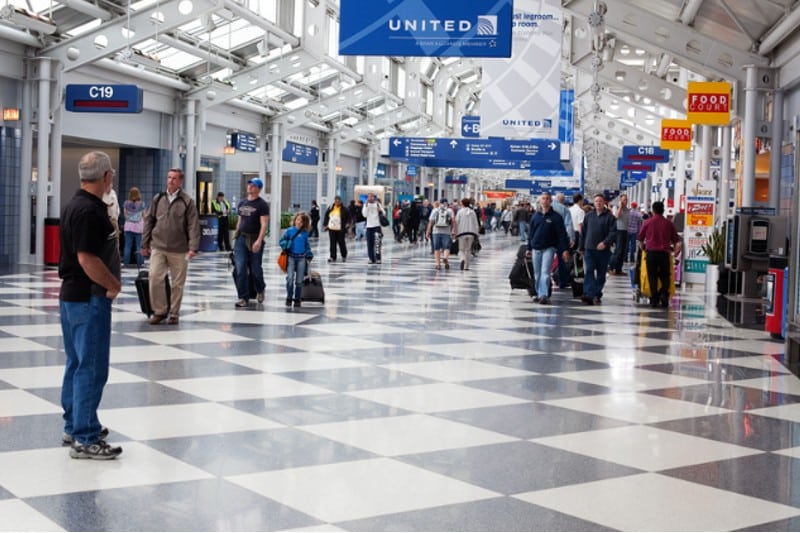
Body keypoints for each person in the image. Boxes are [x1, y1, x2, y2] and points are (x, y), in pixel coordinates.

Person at [58, 151, 123, 460]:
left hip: (70, 296)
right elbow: (87, 259)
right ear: (106, 176)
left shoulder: (73, 205)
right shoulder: (90, 211)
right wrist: (113, 284)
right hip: (89, 296)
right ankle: (85, 437)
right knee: (92, 367)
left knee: (76, 363)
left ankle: (75, 425)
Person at [141, 167, 201, 324]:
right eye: (168, 177)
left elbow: (193, 226)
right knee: (155, 277)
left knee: (177, 283)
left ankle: (174, 312)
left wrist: (193, 247)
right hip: (158, 246)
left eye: (174, 178)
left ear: (180, 181)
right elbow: (149, 220)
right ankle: (159, 310)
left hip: (179, 249)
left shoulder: (187, 201)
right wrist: (144, 243)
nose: (170, 181)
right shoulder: (158, 198)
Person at [528, 192, 571, 304]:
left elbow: (562, 234)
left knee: (545, 272)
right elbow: (530, 233)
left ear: (551, 201)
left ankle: (543, 295)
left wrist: (565, 249)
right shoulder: (535, 216)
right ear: (540, 201)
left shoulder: (556, 217)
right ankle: (538, 293)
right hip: (536, 248)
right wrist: (529, 247)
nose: (545, 201)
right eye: (543, 199)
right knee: (537, 274)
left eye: (547, 199)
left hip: (549, 248)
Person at [233, 178, 269, 308]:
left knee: (255, 269)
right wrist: (236, 237)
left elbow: (264, 224)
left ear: (259, 189)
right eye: (249, 185)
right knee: (240, 268)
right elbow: (240, 220)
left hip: (255, 238)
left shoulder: (262, 205)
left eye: (253, 186)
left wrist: (259, 241)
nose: (250, 187)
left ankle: (260, 288)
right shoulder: (242, 203)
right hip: (241, 239)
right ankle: (243, 297)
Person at [638, 201, 681, 309]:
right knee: (665, 276)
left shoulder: (647, 222)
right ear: (663, 210)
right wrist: (675, 253)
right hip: (664, 254)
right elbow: (677, 241)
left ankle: (654, 299)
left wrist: (643, 248)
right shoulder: (668, 223)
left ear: (653, 210)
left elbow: (640, 240)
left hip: (651, 254)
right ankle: (663, 294)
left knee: (652, 276)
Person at [579, 193, 617, 305]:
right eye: (596, 201)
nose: (598, 203)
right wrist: (581, 247)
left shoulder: (610, 217)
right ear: (593, 203)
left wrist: (605, 243)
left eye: (600, 201)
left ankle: (597, 293)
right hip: (589, 249)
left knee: (601, 273)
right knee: (589, 270)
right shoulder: (588, 216)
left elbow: (613, 233)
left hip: (603, 251)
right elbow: (583, 233)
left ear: (604, 202)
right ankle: (589, 294)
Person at [280, 212, 313, 307]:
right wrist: (286, 244)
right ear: (295, 220)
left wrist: (309, 253)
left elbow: (307, 245)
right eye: (298, 220)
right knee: (290, 278)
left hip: (301, 258)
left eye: (301, 221)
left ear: (304, 223)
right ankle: (289, 297)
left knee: (299, 280)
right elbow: (281, 241)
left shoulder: (305, 233)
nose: (299, 222)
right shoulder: (289, 231)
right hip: (290, 257)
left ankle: (297, 298)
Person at [552, 192, 575, 289]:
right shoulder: (565, 209)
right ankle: (562, 282)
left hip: (548, 238)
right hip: (561, 238)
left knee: (547, 259)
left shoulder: (548, 207)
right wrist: (571, 238)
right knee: (562, 260)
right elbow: (569, 225)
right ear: (562, 200)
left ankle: (545, 282)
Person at [426, 199, 455, 270]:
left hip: (436, 232)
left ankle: (438, 264)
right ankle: (445, 258)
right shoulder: (450, 211)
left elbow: (430, 222)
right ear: (447, 203)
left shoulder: (435, 210)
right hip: (447, 232)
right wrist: (454, 231)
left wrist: (427, 232)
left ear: (440, 203)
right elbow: (453, 221)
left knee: (436, 248)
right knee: (446, 247)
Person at [122, 187, 146, 267]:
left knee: (127, 246)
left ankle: (126, 263)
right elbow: (144, 215)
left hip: (128, 226)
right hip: (138, 227)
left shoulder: (126, 203)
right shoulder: (142, 204)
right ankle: (140, 263)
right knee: (139, 246)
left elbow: (125, 215)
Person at [455, 198, 480, 271]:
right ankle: (467, 266)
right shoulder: (472, 212)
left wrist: (455, 232)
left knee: (461, 249)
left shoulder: (460, 212)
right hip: (471, 233)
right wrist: (477, 234)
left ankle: (462, 259)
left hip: (461, 233)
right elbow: (476, 224)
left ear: (462, 203)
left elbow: (456, 222)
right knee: (468, 250)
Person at [609, 194, 630, 275]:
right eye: (623, 200)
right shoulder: (616, 208)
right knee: (618, 250)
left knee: (623, 251)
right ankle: (611, 267)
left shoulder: (628, 210)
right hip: (618, 231)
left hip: (625, 231)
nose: (625, 201)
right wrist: (620, 207)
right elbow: (616, 217)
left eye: (626, 200)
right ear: (620, 200)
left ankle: (618, 269)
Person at [363, 192, 386, 264]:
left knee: (377, 243)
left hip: (377, 226)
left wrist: (380, 210)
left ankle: (378, 258)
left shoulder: (377, 204)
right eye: (369, 197)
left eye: (372, 196)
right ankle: (371, 258)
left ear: (374, 197)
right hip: (369, 227)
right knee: (369, 244)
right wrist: (366, 206)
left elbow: (384, 213)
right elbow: (364, 215)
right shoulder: (365, 205)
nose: (370, 198)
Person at [323, 196, 347, 262]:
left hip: (340, 229)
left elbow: (348, 217)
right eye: (336, 201)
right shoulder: (330, 208)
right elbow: (326, 216)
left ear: (340, 201)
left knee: (341, 243)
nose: (337, 202)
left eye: (338, 201)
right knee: (332, 243)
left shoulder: (344, 209)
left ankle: (344, 255)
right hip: (332, 228)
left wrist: (347, 224)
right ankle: (332, 257)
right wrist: (325, 224)